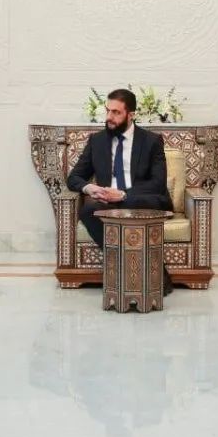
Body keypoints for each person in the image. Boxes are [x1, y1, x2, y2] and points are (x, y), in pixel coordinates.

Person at [67, 88, 175, 293]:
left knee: (134, 201)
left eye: (116, 112)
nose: (109, 117)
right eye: (108, 110)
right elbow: (74, 178)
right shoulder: (97, 141)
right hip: (110, 204)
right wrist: (90, 188)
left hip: (144, 200)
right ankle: (140, 268)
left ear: (131, 115)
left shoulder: (151, 141)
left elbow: (158, 183)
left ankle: (142, 272)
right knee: (88, 211)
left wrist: (124, 194)